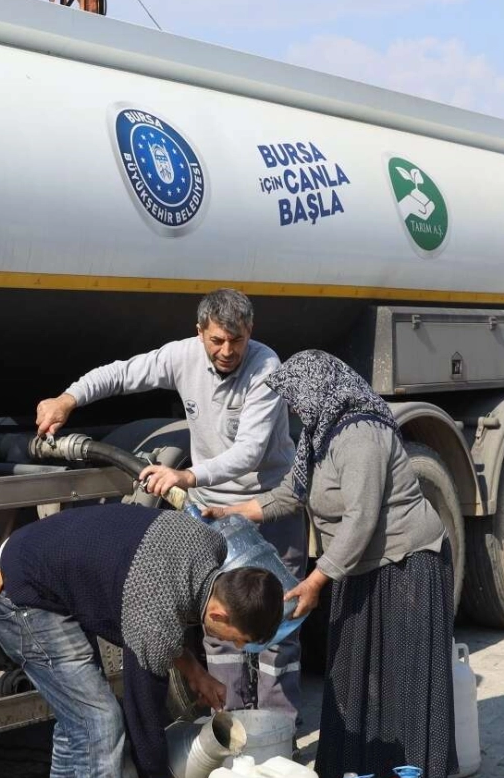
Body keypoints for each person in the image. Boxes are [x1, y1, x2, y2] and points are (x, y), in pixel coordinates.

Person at [0, 505, 283, 778]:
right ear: (218, 613)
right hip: (21, 597)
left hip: (50, 577)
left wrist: (194, 670)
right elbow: (142, 712)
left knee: (79, 722)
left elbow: (164, 602)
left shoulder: (210, 549)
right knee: (99, 725)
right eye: (229, 638)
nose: (225, 645)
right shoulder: (156, 615)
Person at [34, 288, 306, 721]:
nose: (227, 350)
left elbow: (250, 452)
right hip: (214, 521)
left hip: (267, 510)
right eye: (217, 340)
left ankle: (276, 731)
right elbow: (122, 374)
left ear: (250, 331)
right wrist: (68, 399)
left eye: (236, 340)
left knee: (279, 626)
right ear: (199, 332)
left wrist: (187, 476)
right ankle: (232, 730)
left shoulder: (266, 367)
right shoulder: (182, 356)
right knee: (221, 626)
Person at [204, 351, 454, 778]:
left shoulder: (361, 433)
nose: (295, 408)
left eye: (297, 398)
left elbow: (362, 519)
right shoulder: (321, 432)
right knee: (357, 675)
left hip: (407, 564)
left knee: (401, 677)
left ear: (318, 389)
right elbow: (290, 493)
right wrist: (233, 510)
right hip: (360, 566)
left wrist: (318, 580)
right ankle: (361, 777)